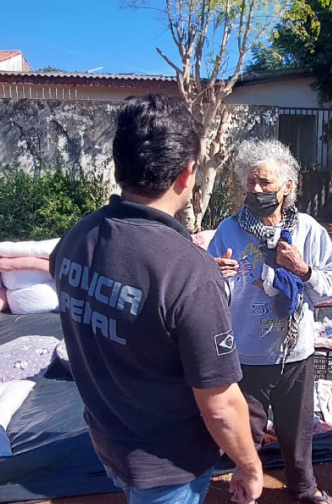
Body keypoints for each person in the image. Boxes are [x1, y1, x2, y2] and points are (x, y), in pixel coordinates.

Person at [49, 94, 262, 504]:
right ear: (188, 174)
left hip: (107, 438)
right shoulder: (187, 270)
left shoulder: (78, 236)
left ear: (119, 166)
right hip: (168, 466)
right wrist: (250, 466)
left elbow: (111, 295)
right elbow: (219, 404)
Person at [208, 138, 332, 504]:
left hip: (296, 354)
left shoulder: (310, 231)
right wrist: (213, 275)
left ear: (288, 187)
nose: (256, 189)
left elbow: (326, 291)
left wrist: (302, 269)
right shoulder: (229, 231)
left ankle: (304, 489)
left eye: (265, 183)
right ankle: (243, 492)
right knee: (244, 434)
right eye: (251, 182)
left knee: (297, 432)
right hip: (246, 355)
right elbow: (207, 295)